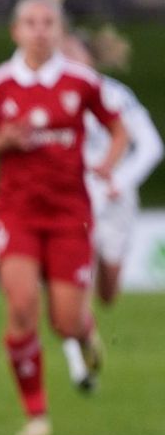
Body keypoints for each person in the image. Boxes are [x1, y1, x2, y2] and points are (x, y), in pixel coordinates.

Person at [0, 0, 128, 435]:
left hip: (71, 213)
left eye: (48, 23)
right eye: (31, 23)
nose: (39, 30)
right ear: (16, 31)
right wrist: (3, 139)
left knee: (66, 322)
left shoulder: (82, 81)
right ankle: (36, 414)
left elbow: (119, 128)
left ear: (59, 31)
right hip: (16, 213)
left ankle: (85, 336)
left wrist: (108, 164)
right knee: (20, 308)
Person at [65, 29, 161, 312]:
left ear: (90, 59)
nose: (66, 61)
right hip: (74, 196)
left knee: (108, 292)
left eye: (72, 54)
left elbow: (151, 146)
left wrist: (121, 181)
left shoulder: (116, 94)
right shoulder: (52, 96)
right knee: (74, 268)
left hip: (115, 198)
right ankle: (80, 328)